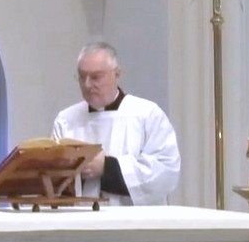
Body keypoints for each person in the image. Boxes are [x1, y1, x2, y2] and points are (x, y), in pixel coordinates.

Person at [52, 41, 180, 205]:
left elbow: (165, 172)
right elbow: (55, 179)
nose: (87, 84)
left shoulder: (147, 115)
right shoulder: (66, 120)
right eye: (82, 77)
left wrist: (107, 167)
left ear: (117, 74)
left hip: (133, 225)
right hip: (81, 223)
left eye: (96, 77)